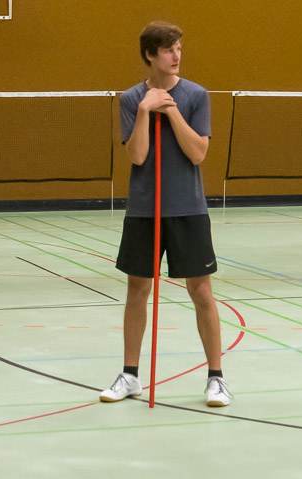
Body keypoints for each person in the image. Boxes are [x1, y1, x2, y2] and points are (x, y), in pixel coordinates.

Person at [98, 21, 231, 407]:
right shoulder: (129, 99)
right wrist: (144, 110)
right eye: (169, 49)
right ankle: (130, 375)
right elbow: (138, 156)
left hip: (188, 208)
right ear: (150, 55)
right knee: (137, 290)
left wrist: (171, 112)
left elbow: (198, 153)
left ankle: (216, 378)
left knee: (201, 291)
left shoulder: (196, 96)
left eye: (179, 49)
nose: (177, 56)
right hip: (144, 210)